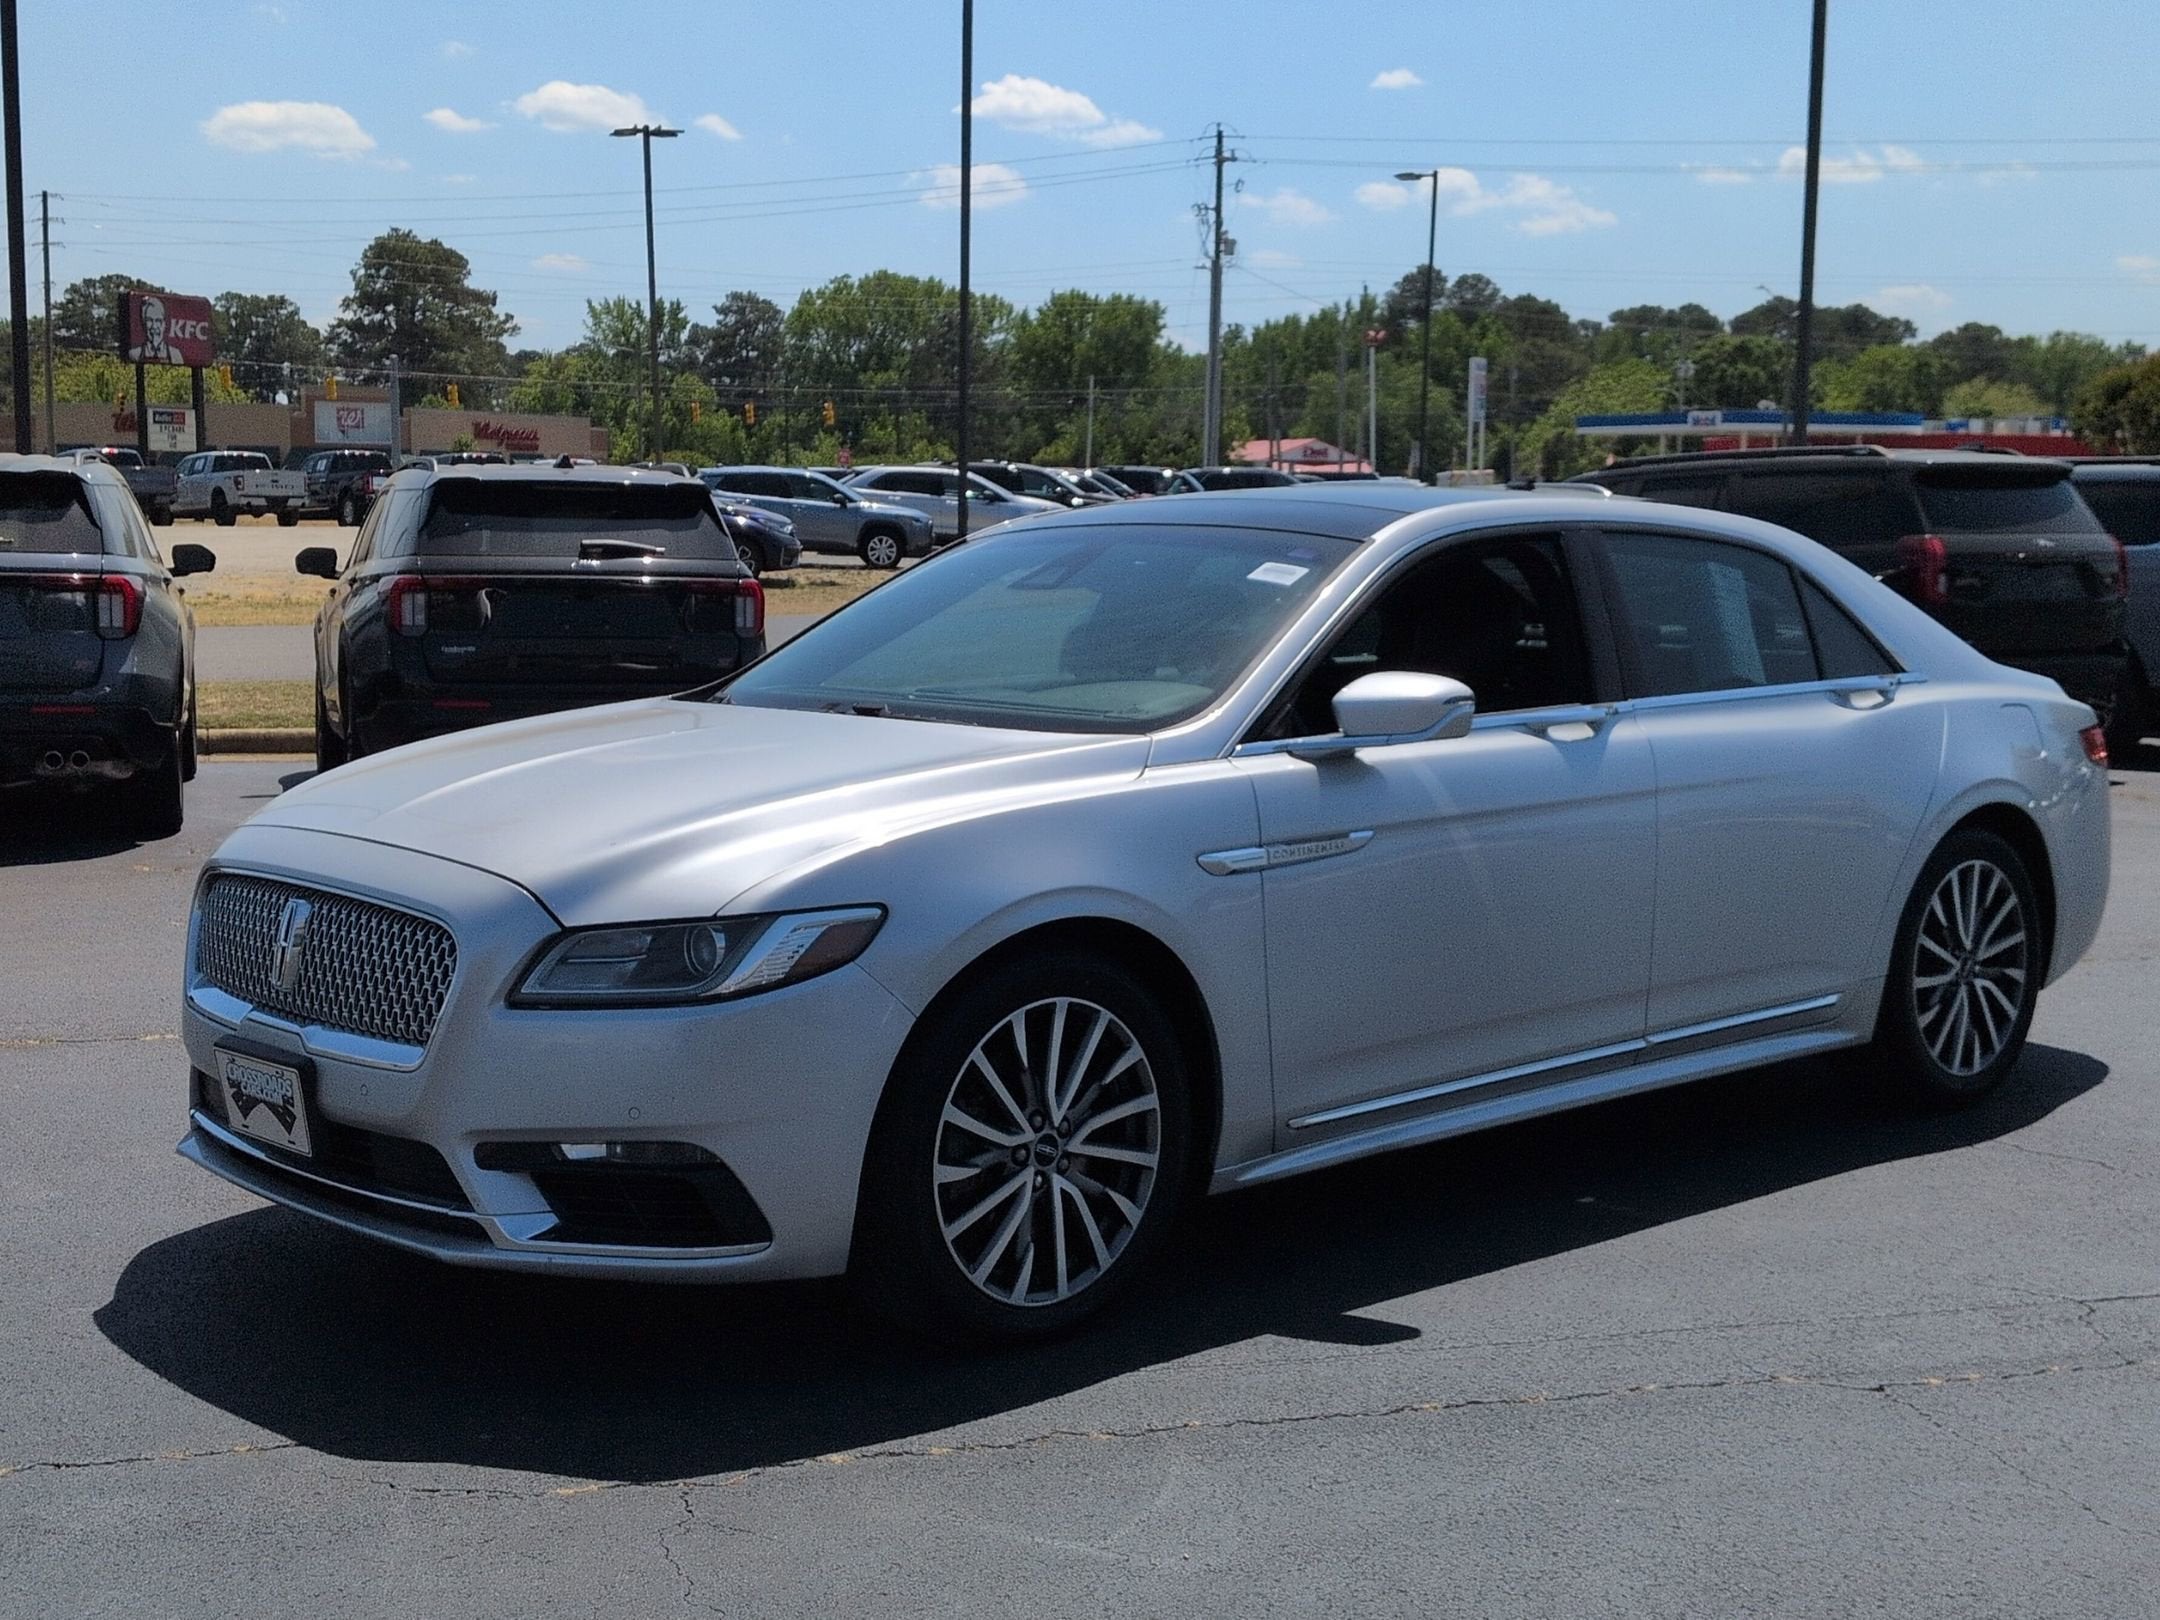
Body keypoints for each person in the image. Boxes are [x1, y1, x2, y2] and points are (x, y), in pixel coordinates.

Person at [126, 297, 185, 365]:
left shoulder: (175, 355)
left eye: (158, 321)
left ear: (164, 324)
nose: (154, 326)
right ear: (143, 323)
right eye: (149, 320)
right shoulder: (134, 354)